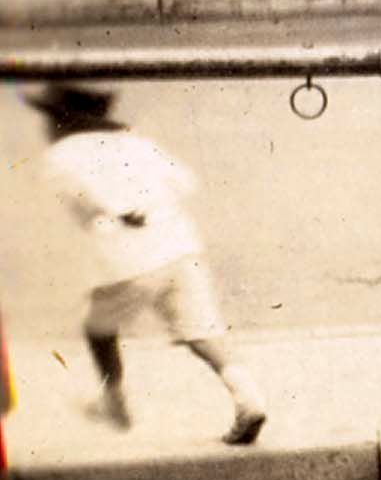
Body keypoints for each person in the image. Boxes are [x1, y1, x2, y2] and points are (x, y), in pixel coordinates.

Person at [31, 81, 268, 445]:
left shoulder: (61, 156)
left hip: (129, 255)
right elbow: (185, 182)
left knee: (99, 329)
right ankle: (247, 396)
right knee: (202, 331)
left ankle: (115, 400)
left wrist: (117, 211)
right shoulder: (134, 141)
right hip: (179, 244)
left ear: (63, 120)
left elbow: (87, 203)